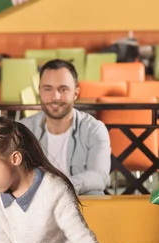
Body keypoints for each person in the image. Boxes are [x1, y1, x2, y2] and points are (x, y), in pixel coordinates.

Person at [21, 59, 111, 195]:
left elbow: (100, 177)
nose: (55, 97)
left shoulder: (94, 129)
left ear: (76, 93)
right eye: (48, 89)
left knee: (96, 194)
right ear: (39, 91)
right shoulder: (23, 130)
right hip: (36, 203)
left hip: (79, 201)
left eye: (63, 89)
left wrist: (61, 187)